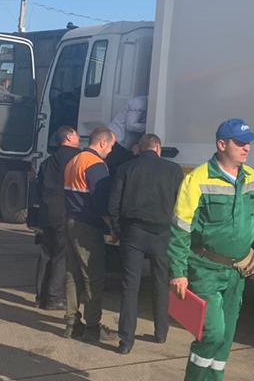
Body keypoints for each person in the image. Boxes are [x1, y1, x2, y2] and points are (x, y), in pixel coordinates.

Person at [168, 118, 254, 381]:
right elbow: (180, 230)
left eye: (249, 143)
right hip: (205, 269)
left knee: (224, 341)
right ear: (221, 145)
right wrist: (178, 272)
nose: (247, 148)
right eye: (240, 142)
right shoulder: (197, 180)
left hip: (237, 273)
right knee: (212, 334)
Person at [108, 133, 184, 354]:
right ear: (158, 148)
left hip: (134, 233)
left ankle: (126, 341)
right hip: (162, 234)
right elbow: (181, 206)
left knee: (130, 287)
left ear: (139, 149)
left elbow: (113, 203)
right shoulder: (174, 170)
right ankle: (161, 332)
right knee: (161, 283)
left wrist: (118, 230)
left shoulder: (125, 169)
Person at [62, 126, 116, 341]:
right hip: (87, 227)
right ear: (102, 143)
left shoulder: (74, 161)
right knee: (92, 276)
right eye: (111, 146)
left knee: (72, 273)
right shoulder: (96, 165)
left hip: (71, 221)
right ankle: (93, 326)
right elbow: (101, 203)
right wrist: (112, 227)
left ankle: (71, 323)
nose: (111, 151)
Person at [34, 125, 79, 310]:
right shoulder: (77, 158)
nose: (78, 137)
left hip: (47, 213)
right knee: (61, 255)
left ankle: (41, 296)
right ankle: (54, 298)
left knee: (46, 253)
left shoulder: (47, 162)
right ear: (68, 137)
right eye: (76, 134)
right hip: (64, 213)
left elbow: (38, 189)